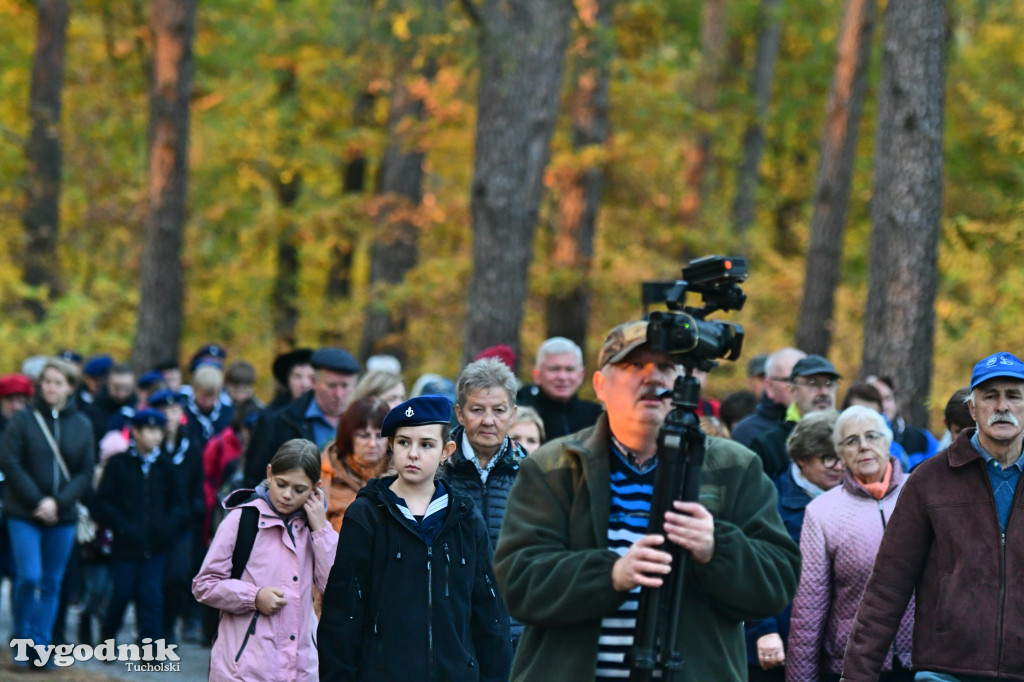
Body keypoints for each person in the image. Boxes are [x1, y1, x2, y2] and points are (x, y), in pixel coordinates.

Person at [493, 320, 801, 681]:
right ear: (600, 385)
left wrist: (716, 548)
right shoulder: (553, 467)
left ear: (685, 383)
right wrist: (612, 574)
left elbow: (777, 582)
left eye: (666, 367)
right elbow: (519, 583)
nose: (652, 377)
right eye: (633, 365)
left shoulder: (735, 467)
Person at [842, 352, 1024, 681]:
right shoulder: (929, 480)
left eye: (1013, 396)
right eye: (990, 396)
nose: (1002, 407)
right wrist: (856, 675)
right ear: (972, 409)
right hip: (944, 669)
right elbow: (887, 586)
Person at [318, 395, 512, 680]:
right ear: (392, 446)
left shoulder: (466, 518)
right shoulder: (367, 515)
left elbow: (490, 613)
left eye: (426, 444)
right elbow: (343, 613)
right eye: (404, 442)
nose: (413, 453)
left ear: (446, 450)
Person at [193, 439, 337, 682]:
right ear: (269, 474)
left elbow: (334, 588)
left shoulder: (317, 529)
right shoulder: (241, 520)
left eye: (299, 489)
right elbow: (204, 584)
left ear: (316, 488)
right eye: (281, 484)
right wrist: (253, 597)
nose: (287, 495)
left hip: (300, 669)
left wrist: (321, 528)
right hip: (243, 669)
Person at [788, 406, 913, 682]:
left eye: (872, 436)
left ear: (888, 441)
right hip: (852, 664)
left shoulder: (919, 492)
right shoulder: (822, 511)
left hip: (920, 660)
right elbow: (808, 608)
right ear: (840, 453)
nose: (864, 446)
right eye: (851, 441)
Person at [0, 358, 95, 668]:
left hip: (63, 516)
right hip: (23, 512)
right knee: (28, 576)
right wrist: (38, 501)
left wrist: (59, 503)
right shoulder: (23, 420)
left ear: (70, 387)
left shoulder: (81, 425)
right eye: (47, 381)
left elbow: (85, 471)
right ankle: (22, 641)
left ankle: (42, 646)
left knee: (52, 582)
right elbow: (10, 462)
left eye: (58, 382)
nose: (51, 387)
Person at [745, 411, 844, 681]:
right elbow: (755, 570)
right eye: (828, 458)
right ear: (801, 458)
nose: (839, 466)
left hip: (833, 649)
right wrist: (764, 630)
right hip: (779, 646)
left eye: (842, 456)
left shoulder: (852, 499)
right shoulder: (770, 501)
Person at [93, 409, 185, 644]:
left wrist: (166, 527)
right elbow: (104, 501)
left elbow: (178, 504)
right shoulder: (119, 464)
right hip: (126, 543)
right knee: (122, 592)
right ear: (135, 432)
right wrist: (122, 527)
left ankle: (149, 645)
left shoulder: (166, 467)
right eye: (149, 431)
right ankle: (108, 632)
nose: (155, 437)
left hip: (156, 544)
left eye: (159, 432)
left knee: (151, 594)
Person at [244, 347, 360, 486]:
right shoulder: (278, 422)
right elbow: (254, 480)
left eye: (345, 386)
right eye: (332, 386)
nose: (339, 394)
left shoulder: (365, 420)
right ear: (313, 382)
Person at [751, 354, 841, 480]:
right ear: (792, 389)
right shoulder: (770, 444)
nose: (824, 392)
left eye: (829, 383)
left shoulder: (850, 435)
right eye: (813, 383)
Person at [319, 396, 390, 531]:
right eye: (364, 435)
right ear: (348, 436)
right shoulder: (325, 473)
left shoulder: (403, 474)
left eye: (380, 436)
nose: (372, 444)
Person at [516, 336, 603, 440]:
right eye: (554, 369)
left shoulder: (598, 418)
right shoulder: (519, 416)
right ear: (537, 375)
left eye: (570, 369)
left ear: (581, 375)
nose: (562, 377)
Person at [731, 347, 806, 448]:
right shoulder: (749, 433)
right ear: (769, 386)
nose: (800, 387)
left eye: (809, 381)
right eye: (791, 380)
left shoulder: (827, 426)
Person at [866, 374, 939, 469]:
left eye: (888, 398)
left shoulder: (921, 438)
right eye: (876, 400)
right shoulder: (861, 442)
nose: (884, 405)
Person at [266, 348, 314, 412]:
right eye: (297, 377)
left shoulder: (330, 415)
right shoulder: (271, 417)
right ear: (287, 381)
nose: (305, 384)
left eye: (311, 377)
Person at [936, 385, 972, 450]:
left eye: (974, 432)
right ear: (946, 423)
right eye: (959, 432)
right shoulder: (942, 456)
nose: (967, 441)